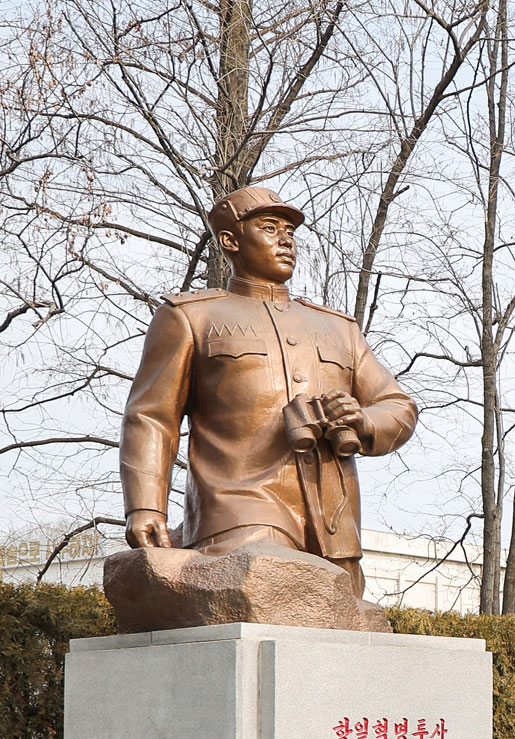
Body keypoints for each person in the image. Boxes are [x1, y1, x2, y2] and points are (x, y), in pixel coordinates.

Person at [120, 186, 416, 599]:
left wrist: (363, 420)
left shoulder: (338, 328)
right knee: (266, 583)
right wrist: (146, 505)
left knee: (337, 621)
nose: (286, 240)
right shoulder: (191, 317)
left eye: (290, 231)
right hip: (237, 506)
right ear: (231, 241)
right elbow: (152, 416)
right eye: (270, 228)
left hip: (333, 521)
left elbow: (399, 405)